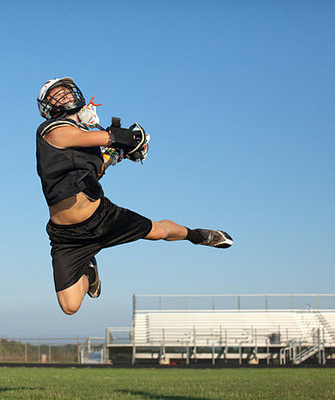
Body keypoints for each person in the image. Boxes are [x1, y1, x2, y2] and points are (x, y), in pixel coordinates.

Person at [35, 77, 233, 315]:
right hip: (67, 236)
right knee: (70, 306)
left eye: (66, 91)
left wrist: (114, 155)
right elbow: (93, 137)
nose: (64, 95)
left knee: (159, 231)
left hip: (101, 217)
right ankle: (88, 270)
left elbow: (96, 168)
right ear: (48, 107)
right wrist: (123, 140)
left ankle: (197, 235)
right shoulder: (50, 130)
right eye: (56, 94)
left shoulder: (87, 145)